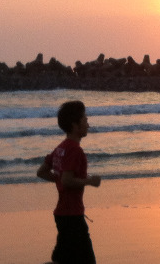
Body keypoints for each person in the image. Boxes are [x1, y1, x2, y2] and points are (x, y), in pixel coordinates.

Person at [37, 100, 101, 264]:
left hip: (63, 214)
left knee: (61, 259)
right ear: (75, 124)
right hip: (72, 216)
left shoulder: (61, 148)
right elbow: (67, 180)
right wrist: (89, 181)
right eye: (85, 120)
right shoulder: (74, 150)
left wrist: (60, 179)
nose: (88, 124)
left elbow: (42, 172)